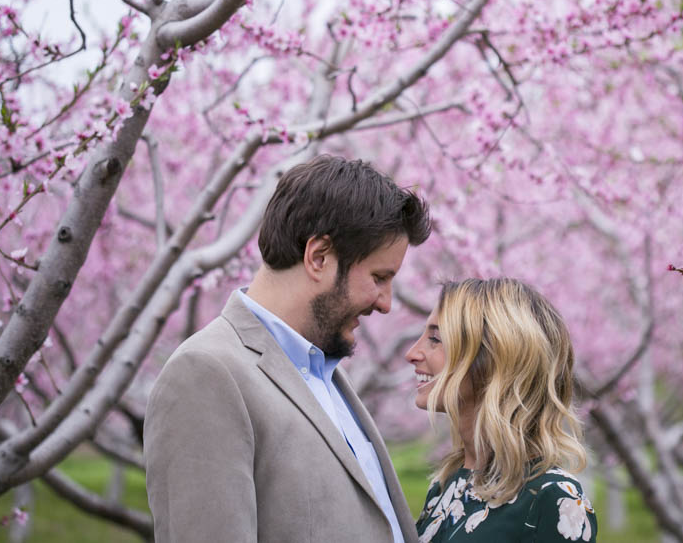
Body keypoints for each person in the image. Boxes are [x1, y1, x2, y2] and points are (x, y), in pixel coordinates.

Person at [145, 155, 432, 543]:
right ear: (319, 257)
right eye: (379, 277)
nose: (386, 303)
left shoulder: (325, 373)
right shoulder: (206, 375)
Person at [405, 278, 597, 542]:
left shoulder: (551, 497)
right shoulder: (446, 484)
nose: (412, 353)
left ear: (492, 359)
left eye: (435, 339)